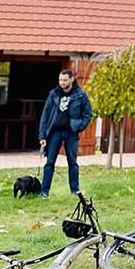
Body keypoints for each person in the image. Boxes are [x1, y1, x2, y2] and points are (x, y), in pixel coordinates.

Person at [38, 68, 93, 199]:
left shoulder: (80, 95)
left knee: (72, 162)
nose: (62, 83)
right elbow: (45, 115)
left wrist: (79, 126)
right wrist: (42, 135)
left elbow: (88, 114)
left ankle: (75, 191)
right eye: (60, 80)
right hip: (55, 132)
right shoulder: (54, 94)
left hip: (71, 132)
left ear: (72, 79)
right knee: (50, 162)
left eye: (65, 80)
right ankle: (44, 192)